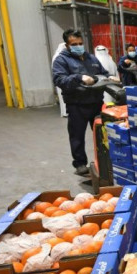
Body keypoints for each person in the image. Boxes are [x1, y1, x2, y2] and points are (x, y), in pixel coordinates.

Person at [52, 29, 115, 176]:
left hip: (96, 102)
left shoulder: (91, 58)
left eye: (80, 43)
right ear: (67, 45)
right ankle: (80, 164)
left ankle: (106, 161)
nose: (79, 46)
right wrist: (79, 77)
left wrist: (110, 78)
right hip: (76, 104)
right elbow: (59, 80)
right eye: (74, 44)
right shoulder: (61, 60)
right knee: (77, 136)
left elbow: (103, 73)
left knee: (102, 134)